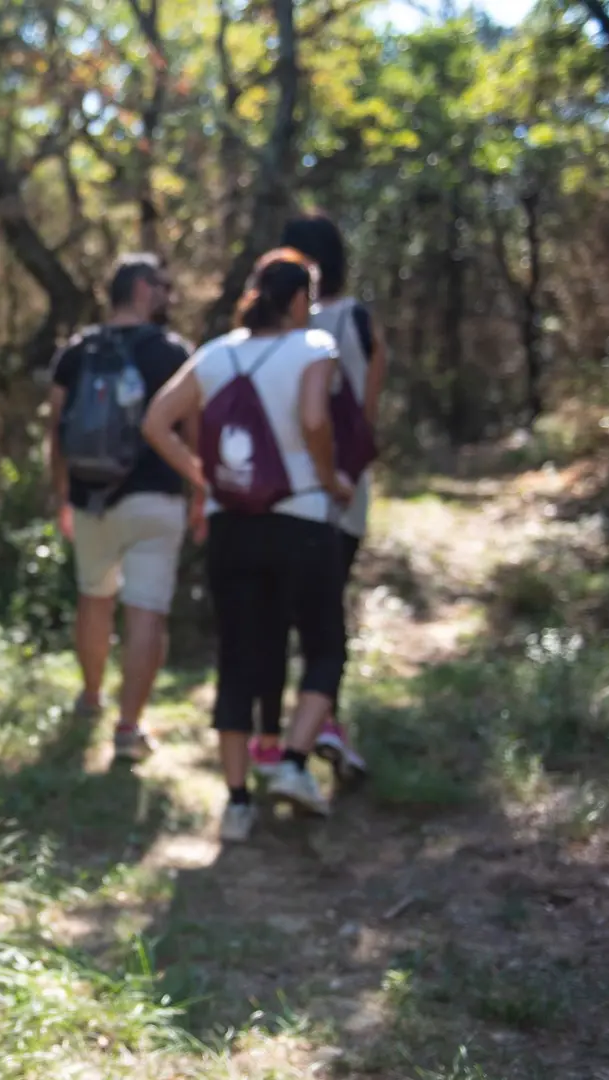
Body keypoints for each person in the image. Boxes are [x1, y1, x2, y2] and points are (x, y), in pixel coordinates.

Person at [140, 248, 352, 842]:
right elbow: (315, 419)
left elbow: (156, 421)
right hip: (303, 516)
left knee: (238, 657)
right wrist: (330, 475)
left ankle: (236, 803)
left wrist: (203, 476)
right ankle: (292, 763)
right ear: (296, 300)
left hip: (232, 524)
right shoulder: (312, 347)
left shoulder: (216, 353)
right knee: (324, 647)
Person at [248, 214, 388, 786]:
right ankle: (321, 726)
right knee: (324, 621)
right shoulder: (354, 321)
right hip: (338, 495)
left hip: (276, 495)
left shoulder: (272, 326)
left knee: (279, 619)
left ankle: (278, 736)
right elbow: (368, 407)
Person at [46, 253, 199, 764]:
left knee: (94, 597)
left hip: (90, 498)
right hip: (155, 498)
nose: (167, 295)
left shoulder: (77, 350)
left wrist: (62, 494)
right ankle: (128, 728)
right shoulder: (173, 353)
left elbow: (56, 430)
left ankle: (91, 698)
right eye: (160, 285)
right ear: (139, 289)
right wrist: (201, 493)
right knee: (146, 609)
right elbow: (194, 431)